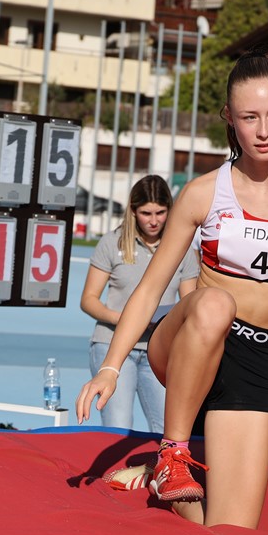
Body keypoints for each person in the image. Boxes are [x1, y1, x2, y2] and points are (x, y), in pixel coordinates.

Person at [75, 51, 268, 529]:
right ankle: (172, 453)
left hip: (256, 359)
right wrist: (111, 366)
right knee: (216, 302)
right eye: (250, 117)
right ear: (229, 118)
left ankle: (158, 479)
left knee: (227, 531)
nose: (264, 131)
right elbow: (149, 290)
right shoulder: (204, 192)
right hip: (187, 340)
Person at [80, 175, 199, 433]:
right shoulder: (111, 243)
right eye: (146, 213)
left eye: (160, 212)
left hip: (159, 349)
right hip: (112, 343)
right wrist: (127, 320)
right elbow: (88, 299)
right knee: (118, 426)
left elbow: (189, 303)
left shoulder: (184, 250)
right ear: (133, 211)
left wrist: (166, 324)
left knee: (167, 429)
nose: (154, 221)